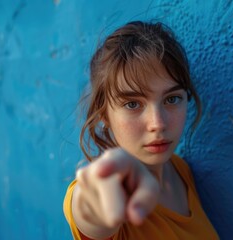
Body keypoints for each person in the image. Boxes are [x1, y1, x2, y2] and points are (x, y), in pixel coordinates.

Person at [63, 20, 219, 240]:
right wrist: (93, 199)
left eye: (172, 99)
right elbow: (90, 209)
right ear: (103, 115)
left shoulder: (181, 171)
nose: (158, 123)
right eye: (132, 104)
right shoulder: (112, 191)